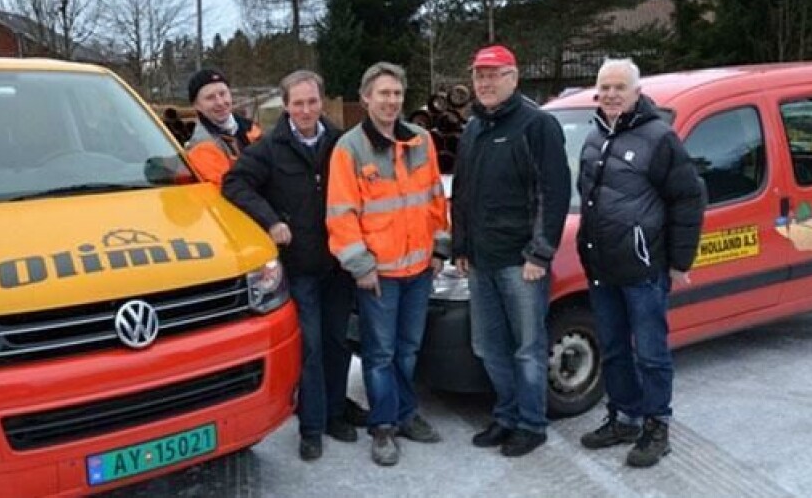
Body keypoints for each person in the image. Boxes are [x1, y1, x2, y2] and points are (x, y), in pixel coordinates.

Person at [222, 70, 367, 461]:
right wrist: (271, 220)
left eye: (312, 101)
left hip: (338, 262)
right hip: (300, 267)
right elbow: (234, 184)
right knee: (311, 347)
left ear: (323, 102)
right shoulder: (270, 148)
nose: (306, 110)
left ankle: (336, 412)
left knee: (338, 341)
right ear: (286, 106)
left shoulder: (341, 143)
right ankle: (312, 425)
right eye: (298, 103)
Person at [576, 58, 705, 468]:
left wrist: (680, 260)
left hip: (643, 269)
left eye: (620, 87)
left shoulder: (658, 137)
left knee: (650, 354)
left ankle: (656, 426)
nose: (612, 94)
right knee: (614, 350)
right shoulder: (594, 135)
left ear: (636, 92)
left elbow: (688, 198)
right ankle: (625, 417)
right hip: (603, 268)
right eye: (605, 87)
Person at [326, 62, 449, 467]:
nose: (391, 101)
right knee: (380, 354)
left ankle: (405, 413)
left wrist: (439, 250)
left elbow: (435, 198)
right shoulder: (349, 149)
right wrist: (360, 266)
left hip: (418, 270)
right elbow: (341, 214)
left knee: (408, 350)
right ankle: (383, 427)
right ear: (365, 98)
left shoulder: (421, 141)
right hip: (379, 275)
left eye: (397, 94)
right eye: (383, 94)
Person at [451, 44, 571, 457]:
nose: (484, 82)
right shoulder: (473, 128)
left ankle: (532, 424)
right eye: (479, 75)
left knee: (528, 348)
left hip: (521, 264)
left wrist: (540, 254)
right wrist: (461, 245)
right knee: (488, 346)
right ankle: (506, 415)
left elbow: (553, 193)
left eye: (493, 74)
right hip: (481, 261)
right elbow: (462, 193)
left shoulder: (537, 125)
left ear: (513, 78)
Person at [184, 68, 262, 187]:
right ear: (197, 106)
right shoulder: (202, 147)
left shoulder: (251, 128)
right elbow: (229, 189)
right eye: (210, 98)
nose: (220, 102)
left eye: (223, 94)